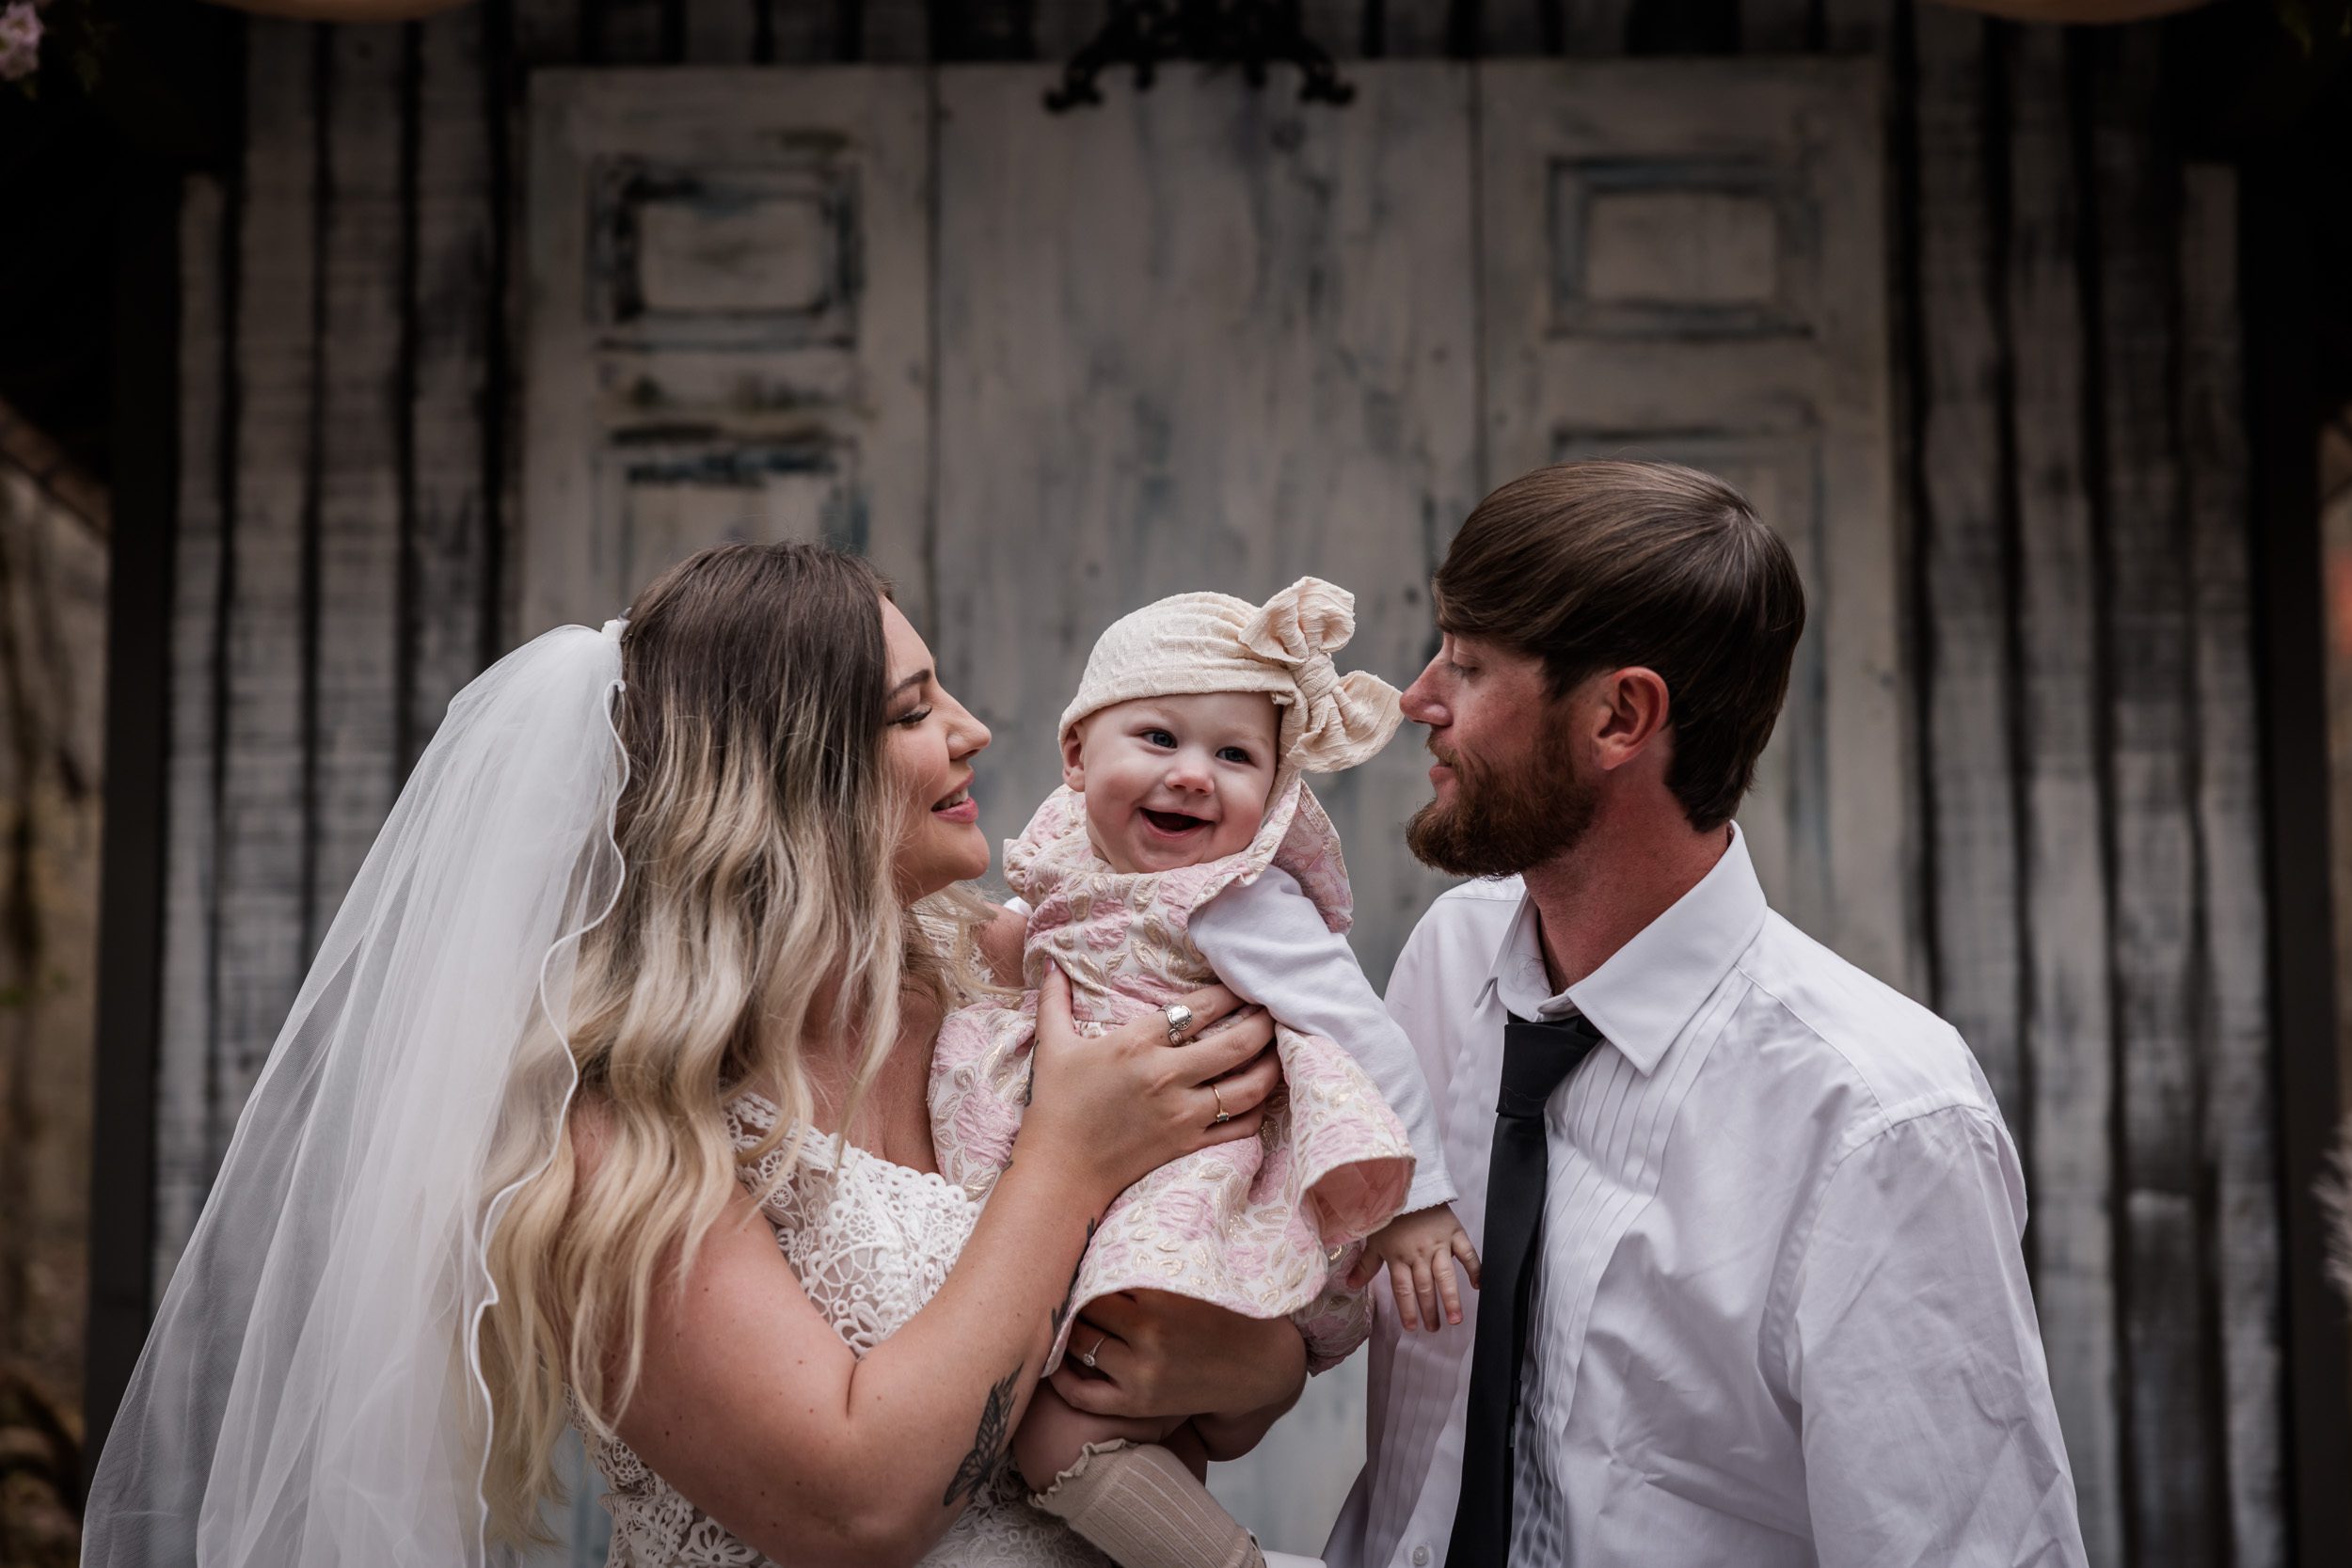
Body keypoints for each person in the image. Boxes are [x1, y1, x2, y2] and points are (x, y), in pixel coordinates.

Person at [86, 542, 1312, 1567]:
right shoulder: (621, 1136)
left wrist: (1255, 1360)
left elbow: (1212, 1346)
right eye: (910, 710)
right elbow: (857, 1502)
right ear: (782, 778)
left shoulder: (1013, 982)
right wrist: (1063, 1161)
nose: (976, 729)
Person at [1319, 461, 2088, 1568]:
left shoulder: (1878, 1116)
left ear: (1620, 715)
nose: (1416, 697)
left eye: (1470, 662)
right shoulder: (1445, 971)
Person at [929, 578, 1480, 1568]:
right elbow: (1037, 944)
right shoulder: (1062, 857)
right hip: (1103, 1168)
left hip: (1194, 1188)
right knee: (1114, 1430)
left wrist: (1418, 1201)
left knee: (1051, 1426)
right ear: (1073, 755)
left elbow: (1357, 1026)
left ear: (1272, 794)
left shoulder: (1235, 898)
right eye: (1158, 738)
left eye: (1234, 756)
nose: (1193, 775)